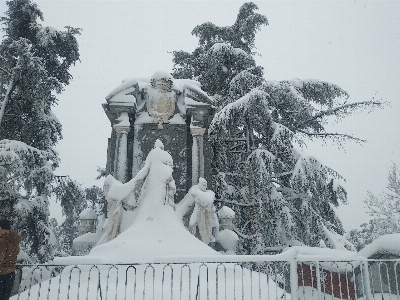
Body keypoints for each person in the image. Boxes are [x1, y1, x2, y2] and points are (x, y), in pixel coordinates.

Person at [0, 219, 21, 300]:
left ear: (2, 228)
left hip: (1, 275)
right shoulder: (14, 241)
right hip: (10, 274)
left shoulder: (2, 241)